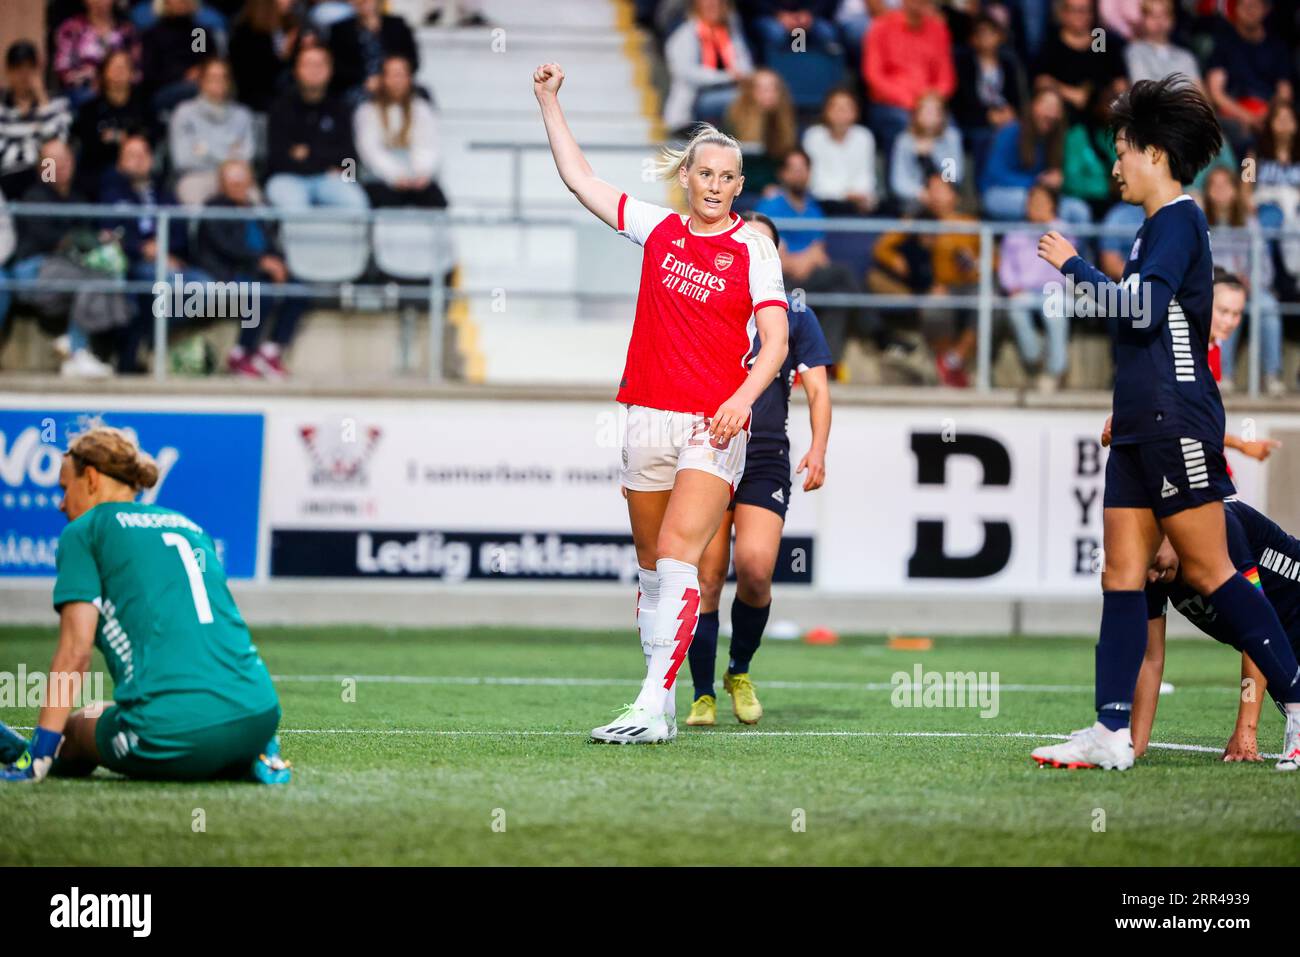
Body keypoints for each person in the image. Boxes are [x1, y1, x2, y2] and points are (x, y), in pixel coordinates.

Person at [1030, 75, 1300, 771]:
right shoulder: (1156, 226)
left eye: (1122, 150)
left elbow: (1143, 311)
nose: (1115, 164)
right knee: (1121, 574)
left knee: (1213, 570)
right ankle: (1110, 731)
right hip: (1140, 424)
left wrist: (1075, 267)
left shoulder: (1180, 219)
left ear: (1154, 154)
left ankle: (1298, 698)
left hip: (1176, 418)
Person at [534, 62, 789, 744]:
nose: (715, 185)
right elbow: (580, 180)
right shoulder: (657, 229)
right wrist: (548, 100)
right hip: (645, 414)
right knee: (651, 569)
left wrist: (741, 400)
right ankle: (661, 697)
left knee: (680, 554)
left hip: (713, 422)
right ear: (688, 176)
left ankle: (652, 702)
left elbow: (776, 341)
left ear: (739, 184)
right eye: (705, 173)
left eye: (728, 177)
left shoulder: (754, 248)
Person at [0, 426, 290, 784]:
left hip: (171, 732)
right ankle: (254, 755)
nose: (61, 503)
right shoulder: (189, 526)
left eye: (64, 488)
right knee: (119, 710)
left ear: (90, 478)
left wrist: (39, 755)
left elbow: (76, 652)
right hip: (260, 716)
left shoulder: (85, 531)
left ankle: (26, 753)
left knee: (76, 728)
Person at [686, 211, 831, 727]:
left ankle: (738, 670)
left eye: (764, 246)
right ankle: (702, 693)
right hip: (707, 448)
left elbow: (817, 388)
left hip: (764, 453)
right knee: (703, 579)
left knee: (754, 568)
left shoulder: (794, 314)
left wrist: (818, 449)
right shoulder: (708, 298)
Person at [1131, 498, 1298, 765]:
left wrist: (1246, 729)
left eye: (1154, 561)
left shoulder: (1219, 528)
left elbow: (1257, 626)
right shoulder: (1152, 570)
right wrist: (1133, 747)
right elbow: (1151, 659)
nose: (1152, 575)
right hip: (1282, 650)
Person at [196, 159, 306, 378]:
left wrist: (278, 264)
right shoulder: (215, 208)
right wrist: (261, 263)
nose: (238, 184)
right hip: (228, 272)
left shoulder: (256, 208)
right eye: (232, 179)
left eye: (242, 178)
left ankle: (270, 351)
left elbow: (273, 242)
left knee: (299, 291)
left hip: (260, 271)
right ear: (222, 183)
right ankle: (241, 353)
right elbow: (226, 247)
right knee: (259, 294)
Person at [756, 148, 863, 367]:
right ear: (783, 174)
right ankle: (873, 330)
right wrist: (808, 257)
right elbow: (778, 260)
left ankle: (826, 366)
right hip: (780, 282)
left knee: (838, 295)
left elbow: (821, 257)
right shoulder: (770, 206)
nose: (798, 174)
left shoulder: (814, 209)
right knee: (842, 274)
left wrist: (805, 259)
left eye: (803, 169)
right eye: (793, 169)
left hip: (809, 281)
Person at [1201, 165, 1283, 394]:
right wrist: (1223, 282)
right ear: (1207, 191)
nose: (1220, 192)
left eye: (1225, 186)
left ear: (1236, 190)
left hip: (1250, 288)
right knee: (1224, 307)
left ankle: (1272, 375)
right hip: (1215, 290)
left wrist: (1250, 282)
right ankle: (1222, 375)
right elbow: (1196, 267)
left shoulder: (1250, 223)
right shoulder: (1199, 224)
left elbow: (1265, 266)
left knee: (1268, 307)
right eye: (1214, 187)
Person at [264, 45, 369, 211]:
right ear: (296, 70)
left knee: (356, 202)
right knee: (293, 205)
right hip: (287, 178)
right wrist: (326, 159)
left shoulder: (342, 109)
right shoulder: (280, 108)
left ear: (330, 70)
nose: (314, 70)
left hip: (329, 178)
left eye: (320, 65)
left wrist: (308, 153)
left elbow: (350, 159)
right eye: (308, 64)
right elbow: (276, 160)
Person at [999, 183, 1077, 391]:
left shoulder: (1063, 231)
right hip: (1024, 291)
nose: (1036, 206)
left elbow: (1071, 265)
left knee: (1055, 312)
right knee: (1015, 307)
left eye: (1042, 202)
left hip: (1055, 290)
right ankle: (1034, 357)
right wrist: (1012, 285)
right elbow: (1005, 267)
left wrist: (1048, 226)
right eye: (1033, 202)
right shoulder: (1015, 233)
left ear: (1053, 205)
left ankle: (1055, 371)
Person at [980, 87, 1089, 224]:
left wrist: (1060, 180)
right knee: (1039, 205)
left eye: (1056, 108)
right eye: (1047, 106)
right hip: (1002, 194)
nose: (1051, 113)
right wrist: (1036, 182)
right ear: (1033, 106)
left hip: (1043, 197)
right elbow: (995, 173)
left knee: (1079, 210)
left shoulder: (1057, 141)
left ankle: (1071, 245)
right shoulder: (1011, 131)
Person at [863, 0, 955, 161]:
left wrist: (932, 100)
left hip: (929, 102)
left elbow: (945, 77)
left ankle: (948, 179)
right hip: (891, 104)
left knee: (951, 131)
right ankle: (900, 184)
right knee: (902, 125)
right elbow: (873, 76)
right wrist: (910, 101)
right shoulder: (881, 26)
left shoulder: (938, 29)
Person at [354, 55, 447, 208]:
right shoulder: (367, 111)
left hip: (417, 176)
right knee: (384, 201)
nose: (397, 81)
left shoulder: (422, 109)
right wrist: (396, 176)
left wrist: (421, 173)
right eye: (392, 75)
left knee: (436, 200)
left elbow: (429, 145)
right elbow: (370, 151)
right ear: (382, 79)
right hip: (380, 177)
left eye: (401, 75)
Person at [1205, 0, 1294, 157]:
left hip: (1270, 112)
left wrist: (1268, 116)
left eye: (1255, 6)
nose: (1249, 11)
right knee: (1247, 142)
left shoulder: (1277, 46)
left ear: (1266, 9)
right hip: (1235, 114)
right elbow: (1217, 93)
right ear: (1236, 9)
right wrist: (1249, 118)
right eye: (1244, 6)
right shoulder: (1225, 44)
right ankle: (1247, 180)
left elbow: (1285, 91)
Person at [169, 57, 256, 206]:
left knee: (257, 201)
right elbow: (182, 159)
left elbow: (246, 157)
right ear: (201, 81)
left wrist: (204, 150)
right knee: (192, 198)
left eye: (223, 77)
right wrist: (228, 156)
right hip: (196, 177)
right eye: (213, 77)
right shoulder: (183, 113)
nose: (218, 82)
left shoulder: (243, 115)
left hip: (235, 178)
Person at [70, 48, 153, 200]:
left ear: (132, 73)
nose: (119, 71)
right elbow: (89, 143)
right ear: (104, 72)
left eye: (124, 67)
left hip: (137, 168)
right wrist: (124, 137)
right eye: (114, 66)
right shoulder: (89, 109)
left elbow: (149, 136)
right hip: (98, 169)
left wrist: (116, 138)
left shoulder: (144, 106)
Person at [952, 13, 1025, 183]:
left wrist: (1010, 113)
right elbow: (963, 101)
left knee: (1019, 133)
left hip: (1006, 117)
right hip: (975, 119)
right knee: (984, 137)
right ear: (973, 38)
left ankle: (1014, 182)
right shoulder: (964, 63)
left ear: (999, 36)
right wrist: (988, 115)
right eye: (981, 33)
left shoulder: (1008, 63)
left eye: (990, 33)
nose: (986, 38)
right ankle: (983, 185)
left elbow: (1016, 97)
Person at [662, 0, 753, 134]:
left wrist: (742, 75)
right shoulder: (684, 35)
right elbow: (689, 74)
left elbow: (745, 64)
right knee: (745, 98)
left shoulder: (731, 32)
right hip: (696, 100)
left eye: (719, 5)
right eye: (710, 6)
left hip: (730, 89)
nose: (715, 9)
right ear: (697, 7)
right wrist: (727, 76)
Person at [0, 41, 73, 200]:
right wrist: (34, 149)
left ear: (38, 70)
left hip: (44, 179)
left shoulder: (56, 104)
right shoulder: (2, 108)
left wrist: (43, 102)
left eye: (30, 68)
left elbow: (58, 142)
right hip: (8, 176)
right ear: (8, 71)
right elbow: (3, 152)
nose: (24, 75)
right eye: (18, 68)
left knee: (52, 157)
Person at [721, 68, 797, 202]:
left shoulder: (784, 123)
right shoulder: (735, 121)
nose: (769, 94)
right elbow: (729, 167)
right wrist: (762, 187)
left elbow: (782, 164)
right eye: (761, 89)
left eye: (773, 89)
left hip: (775, 190)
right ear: (750, 92)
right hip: (741, 191)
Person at [52, 0, 141, 109]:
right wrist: (97, 80)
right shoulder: (71, 28)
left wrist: (120, 79)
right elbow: (63, 69)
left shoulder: (127, 29)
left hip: (122, 89)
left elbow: (137, 68)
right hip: (83, 91)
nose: (100, 2)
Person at [801, 87, 876, 215]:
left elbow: (866, 176)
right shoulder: (813, 136)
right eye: (835, 107)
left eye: (847, 107)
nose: (841, 112)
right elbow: (813, 180)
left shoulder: (864, 136)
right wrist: (843, 195)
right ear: (826, 111)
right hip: (823, 201)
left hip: (856, 201)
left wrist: (859, 194)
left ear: (856, 112)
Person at [327, 0, 419, 104]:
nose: (364, 1)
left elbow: (413, 61)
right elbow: (336, 67)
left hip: (394, 82)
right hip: (358, 87)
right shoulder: (340, 29)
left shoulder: (397, 25)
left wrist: (389, 78)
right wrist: (365, 80)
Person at [889, 92, 963, 210]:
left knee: (947, 200)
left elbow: (953, 176)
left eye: (934, 111)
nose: (929, 115)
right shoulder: (904, 141)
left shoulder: (951, 137)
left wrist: (932, 153)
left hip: (944, 196)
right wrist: (920, 193)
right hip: (914, 199)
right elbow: (898, 182)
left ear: (942, 115)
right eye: (925, 110)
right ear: (916, 114)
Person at [229, 0, 302, 113]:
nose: (291, 1)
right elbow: (254, 76)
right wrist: (284, 54)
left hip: (287, 100)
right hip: (256, 105)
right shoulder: (246, 33)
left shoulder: (290, 26)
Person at [1124, 0, 1200, 86]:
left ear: (1172, 19)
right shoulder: (1135, 51)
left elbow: (1198, 93)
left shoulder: (1186, 57)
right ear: (1143, 19)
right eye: (1153, 16)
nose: (1159, 21)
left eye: (1164, 15)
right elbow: (1142, 89)